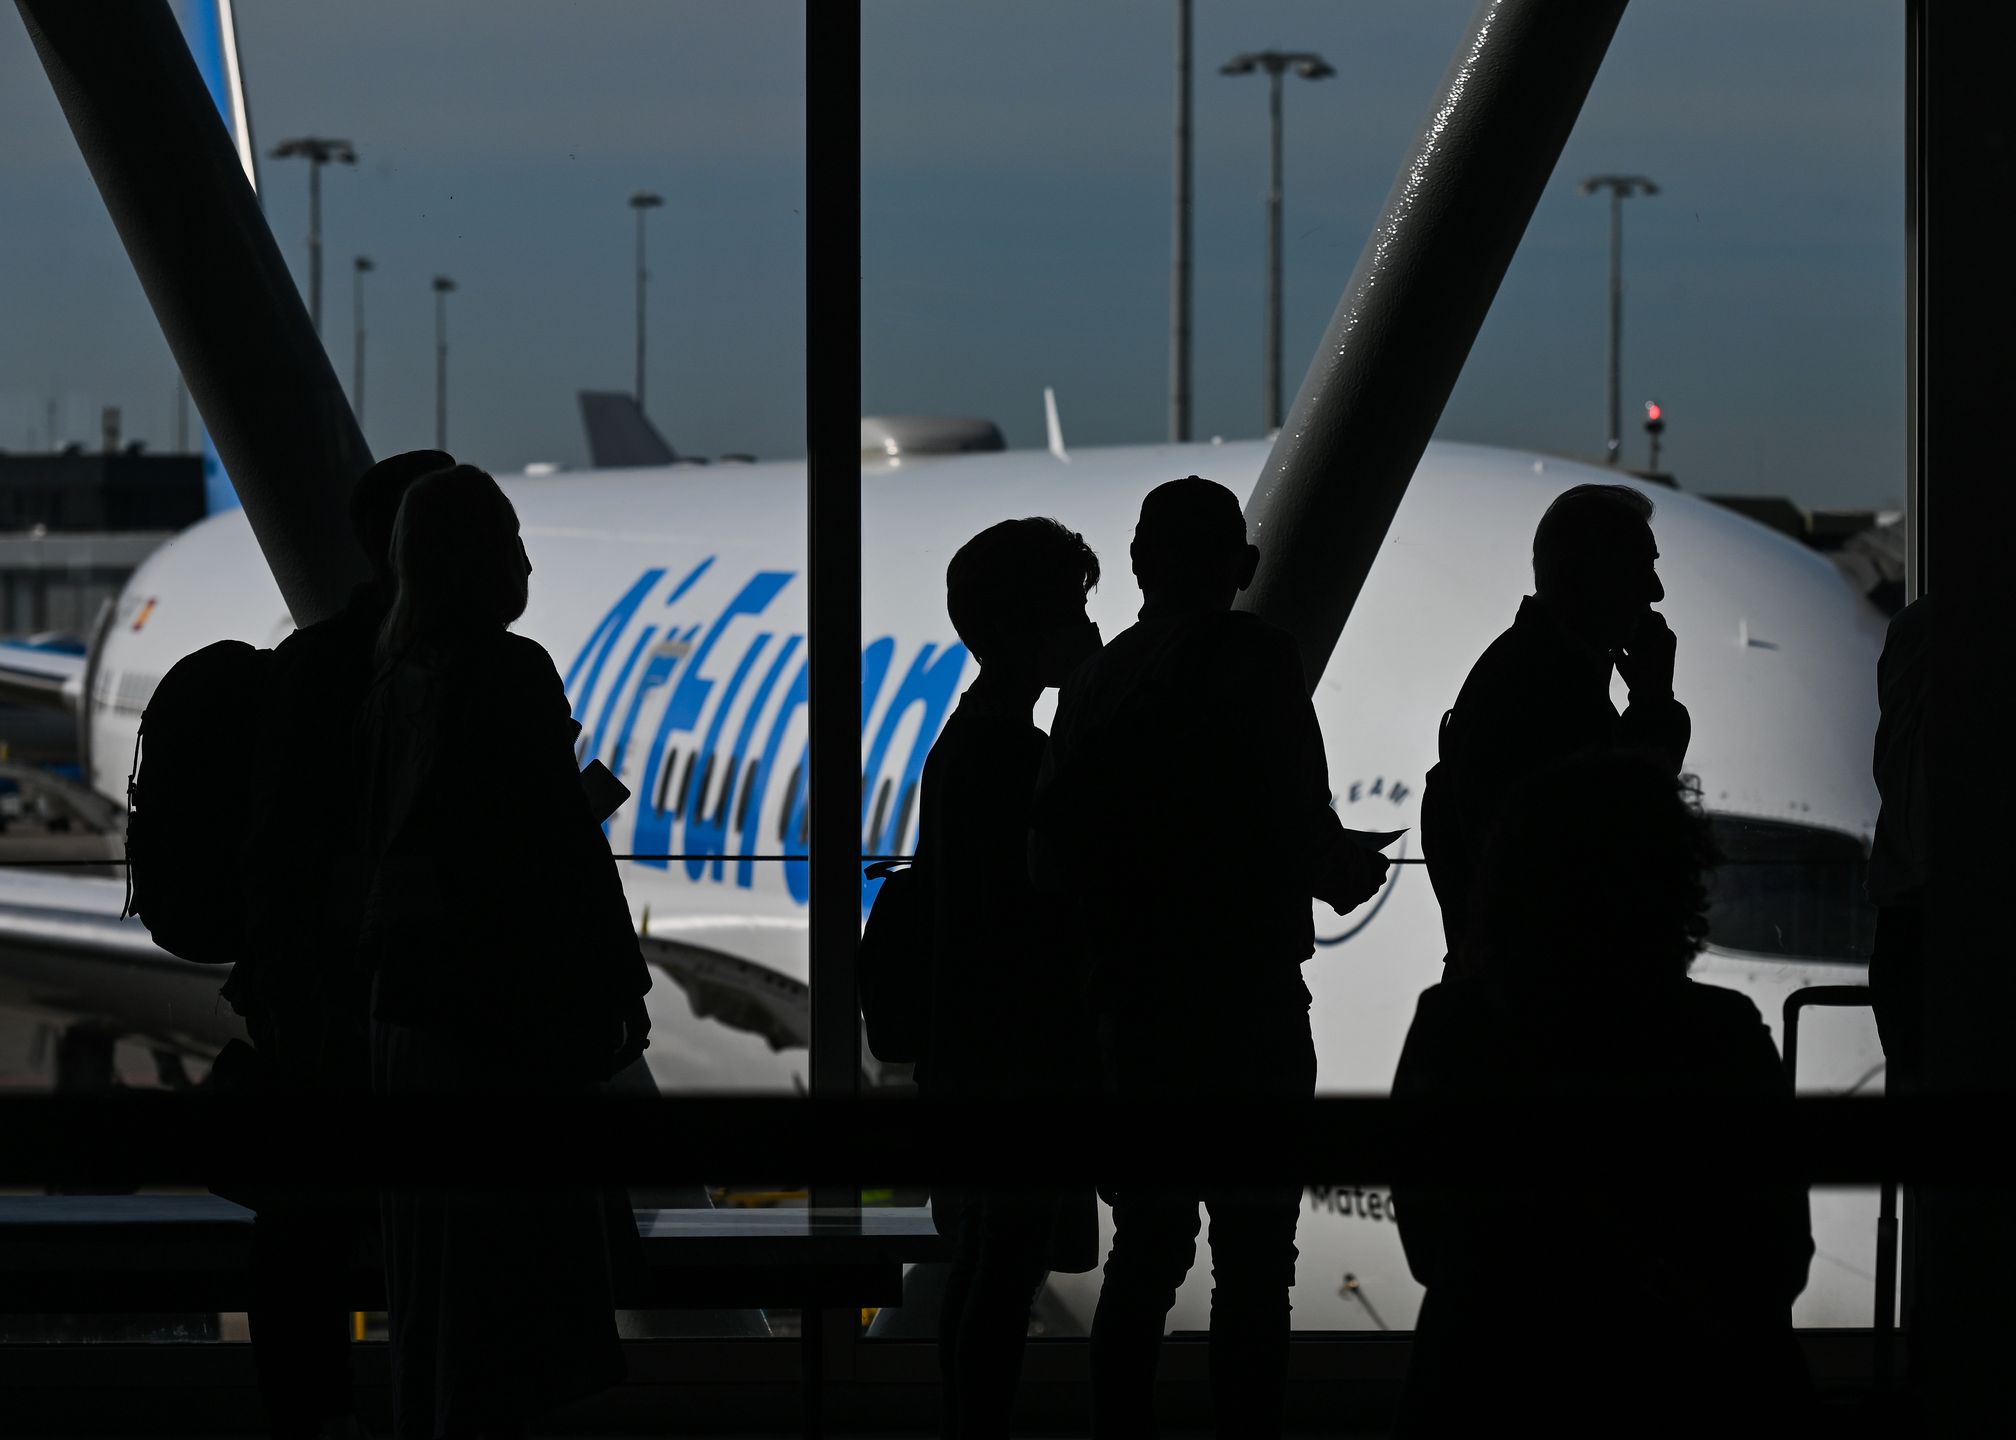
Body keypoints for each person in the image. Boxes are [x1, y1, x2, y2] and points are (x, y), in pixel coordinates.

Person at [1030, 476, 1389, 1440]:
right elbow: (1300, 823)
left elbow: (1056, 857)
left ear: (1138, 565)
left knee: (1146, 1252)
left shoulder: (1096, 684)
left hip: (1137, 1010)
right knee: (1256, 1261)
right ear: (1243, 567)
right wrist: (1347, 869)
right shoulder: (1261, 661)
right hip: (1250, 1006)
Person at [1392, 750, 1813, 1436]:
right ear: (1672, 881)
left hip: (1485, 1386)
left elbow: (1430, 1248)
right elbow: (1776, 1259)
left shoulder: (1454, 1026)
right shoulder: (1722, 1034)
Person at [356, 465, 651, 1438]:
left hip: (416, 1029)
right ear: (480, 563)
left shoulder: (394, 678)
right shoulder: (509, 671)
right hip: (505, 1040)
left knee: (444, 1314)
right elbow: (560, 861)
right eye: (513, 543)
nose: (527, 563)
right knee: (523, 1314)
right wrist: (619, 986)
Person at [225, 447, 451, 1440]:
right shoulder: (455, 676)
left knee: (302, 1244)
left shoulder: (314, 665)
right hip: (401, 1015)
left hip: (319, 1012)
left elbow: (277, 856)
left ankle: (313, 1416)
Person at [917, 517, 1105, 1439]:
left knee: (986, 1263)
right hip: (1018, 1058)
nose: (1090, 625)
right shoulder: (1018, 758)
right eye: (1075, 606)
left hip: (972, 1050)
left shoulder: (968, 738)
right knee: (1005, 1268)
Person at [1422, 484, 1689, 963]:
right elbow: (1628, 826)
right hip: (1550, 984)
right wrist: (1654, 703)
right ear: (1587, 576)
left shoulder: (1528, 669)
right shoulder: (1550, 690)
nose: (1656, 591)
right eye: (1639, 569)